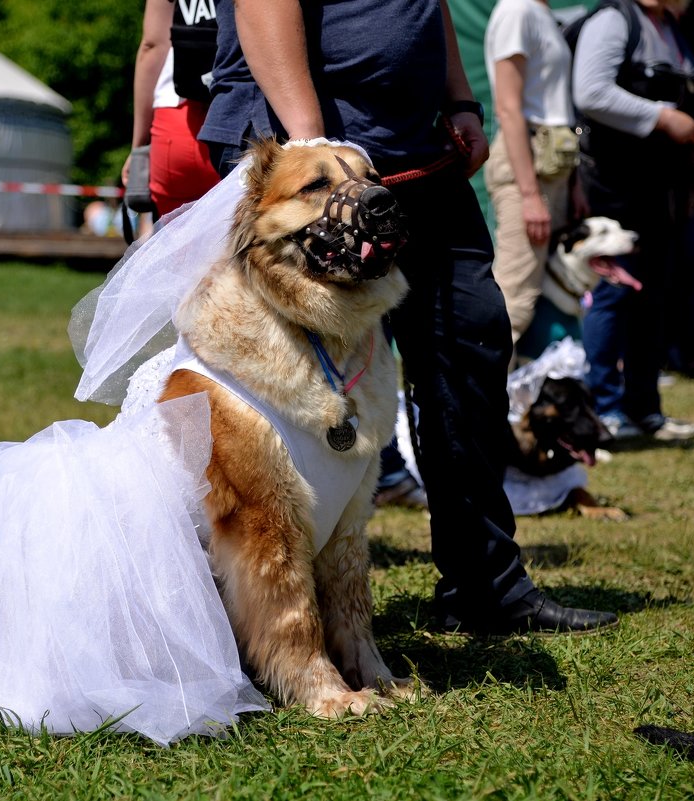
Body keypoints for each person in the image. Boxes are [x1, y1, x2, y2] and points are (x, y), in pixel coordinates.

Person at [199, 0, 617, 635]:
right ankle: (266, 614)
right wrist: (314, 146)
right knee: (281, 393)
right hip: (304, 162)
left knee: (474, 335)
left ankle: (484, 584)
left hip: (415, 150)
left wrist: (459, 101)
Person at [570, 0, 694, 441]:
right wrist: (664, 117)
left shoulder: (670, 28)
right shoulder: (615, 19)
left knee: (654, 295)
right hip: (616, 184)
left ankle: (645, 408)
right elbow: (591, 91)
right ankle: (606, 410)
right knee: (612, 294)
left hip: (659, 192)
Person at [483, 0, 581, 354]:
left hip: (553, 164)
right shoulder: (517, 10)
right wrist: (528, 194)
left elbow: (554, 103)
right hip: (527, 164)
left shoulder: (541, 13)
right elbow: (509, 107)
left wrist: (573, 183)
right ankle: (486, 406)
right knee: (515, 297)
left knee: (532, 296)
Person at [123, 0, 220, 218]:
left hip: (175, 123)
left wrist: (138, 146)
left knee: (176, 245)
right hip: (241, 121)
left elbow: (152, 45)